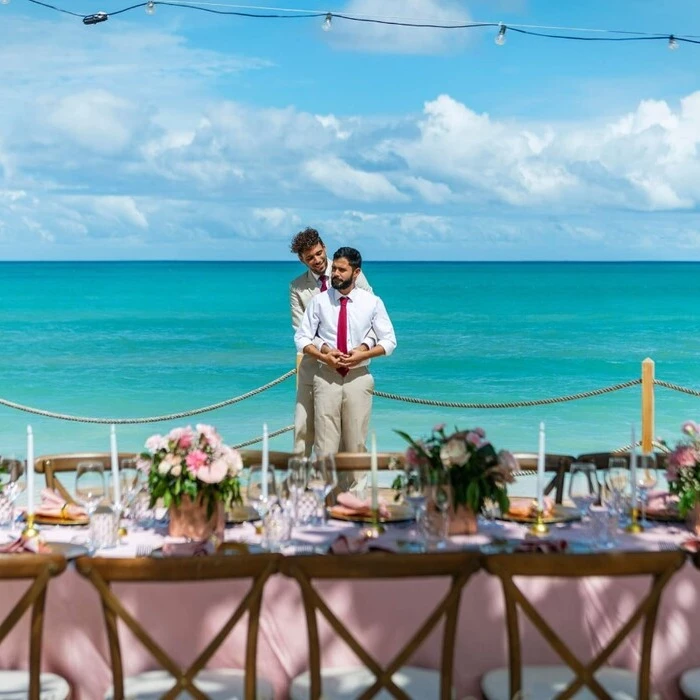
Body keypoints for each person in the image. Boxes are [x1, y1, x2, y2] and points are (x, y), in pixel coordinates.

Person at [295, 247, 396, 456]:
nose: (335, 274)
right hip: (325, 376)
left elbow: (389, 341)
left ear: (356, 273)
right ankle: (326, 488)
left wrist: (364, 353)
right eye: (334, 270)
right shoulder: (319, 301)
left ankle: (355, 490)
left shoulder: (372, 303)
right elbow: (302, 337)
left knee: (356, 444)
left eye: (342, 270)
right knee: (325, 445)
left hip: (358, 377)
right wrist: (323, 356)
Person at [289, 228, 373, 456]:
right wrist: (325, 351)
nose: (316, 261)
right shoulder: (297, 287)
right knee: (303, 429)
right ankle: (301, 485)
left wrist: (362, 349)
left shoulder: (350, 272)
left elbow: (369, 312)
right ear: (301, 259)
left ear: (323, 247)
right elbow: (301, 330)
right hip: (312, 365)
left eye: (318, 253)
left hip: (348, 366)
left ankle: (347, 489)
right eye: (309, 258)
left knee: (349, 434)